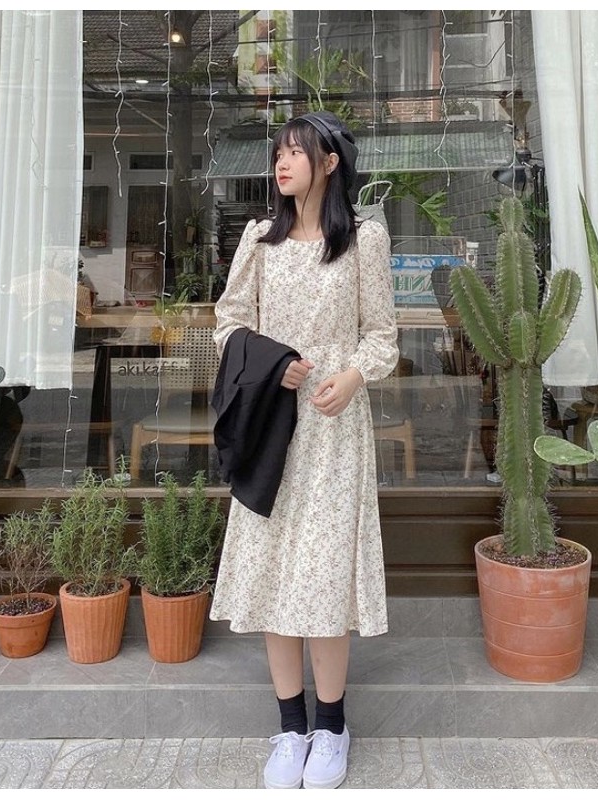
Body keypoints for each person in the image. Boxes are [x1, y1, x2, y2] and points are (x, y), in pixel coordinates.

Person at [210, 110, 399, 790]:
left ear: (329, 163)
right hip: (272, 426)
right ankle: (291, 728)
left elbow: (383, 336)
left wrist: (352, 376)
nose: (282, 163)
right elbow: (228, 321)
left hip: (334, 431)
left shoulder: (364, 240)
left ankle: (333, 726)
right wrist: (270, 361)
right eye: (278, 153)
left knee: (322, 578)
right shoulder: (259, 240)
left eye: (296, 152)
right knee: (272, 573)